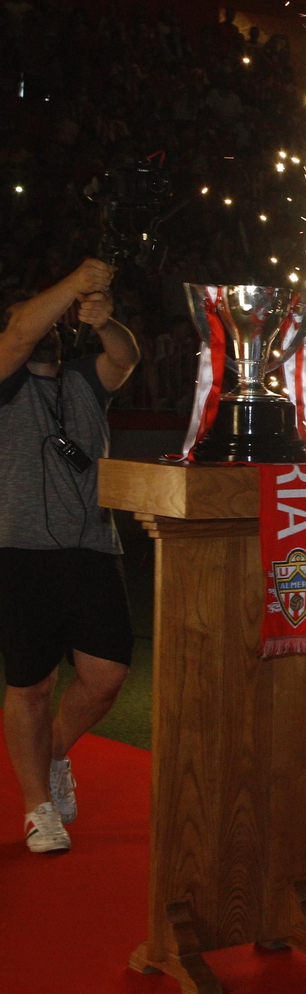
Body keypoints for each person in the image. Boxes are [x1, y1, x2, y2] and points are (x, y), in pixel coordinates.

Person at [0, 259, 139, 854]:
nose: (51, 326)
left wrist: (106, 321)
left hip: (93, 545)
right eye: (43, 315)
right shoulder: (5, 375)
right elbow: (19, 335)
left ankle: (54, 750)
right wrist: (72, 287)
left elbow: (126, 355)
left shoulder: (83, 378)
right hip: (21, 549)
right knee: (30, 684)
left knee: (106, 676)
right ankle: (37, 809)